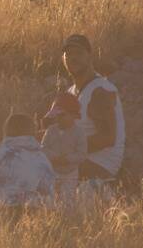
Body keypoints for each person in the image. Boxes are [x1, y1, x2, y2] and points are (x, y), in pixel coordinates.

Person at [40, 34, 124, 186]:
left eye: (78, 53)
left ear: (90, 57)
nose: (73, 58)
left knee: (34, 171)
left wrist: (67, 151)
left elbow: (108, 138)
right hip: (75, 160)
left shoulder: (100, 91)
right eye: (68, 54)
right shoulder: (70, 93)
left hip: (99, 165)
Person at [0, 114, 58, 205]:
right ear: (32, 131)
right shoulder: (43, 160)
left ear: (6, 130)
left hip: (0, 213)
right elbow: (50, 196)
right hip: (34, 215)